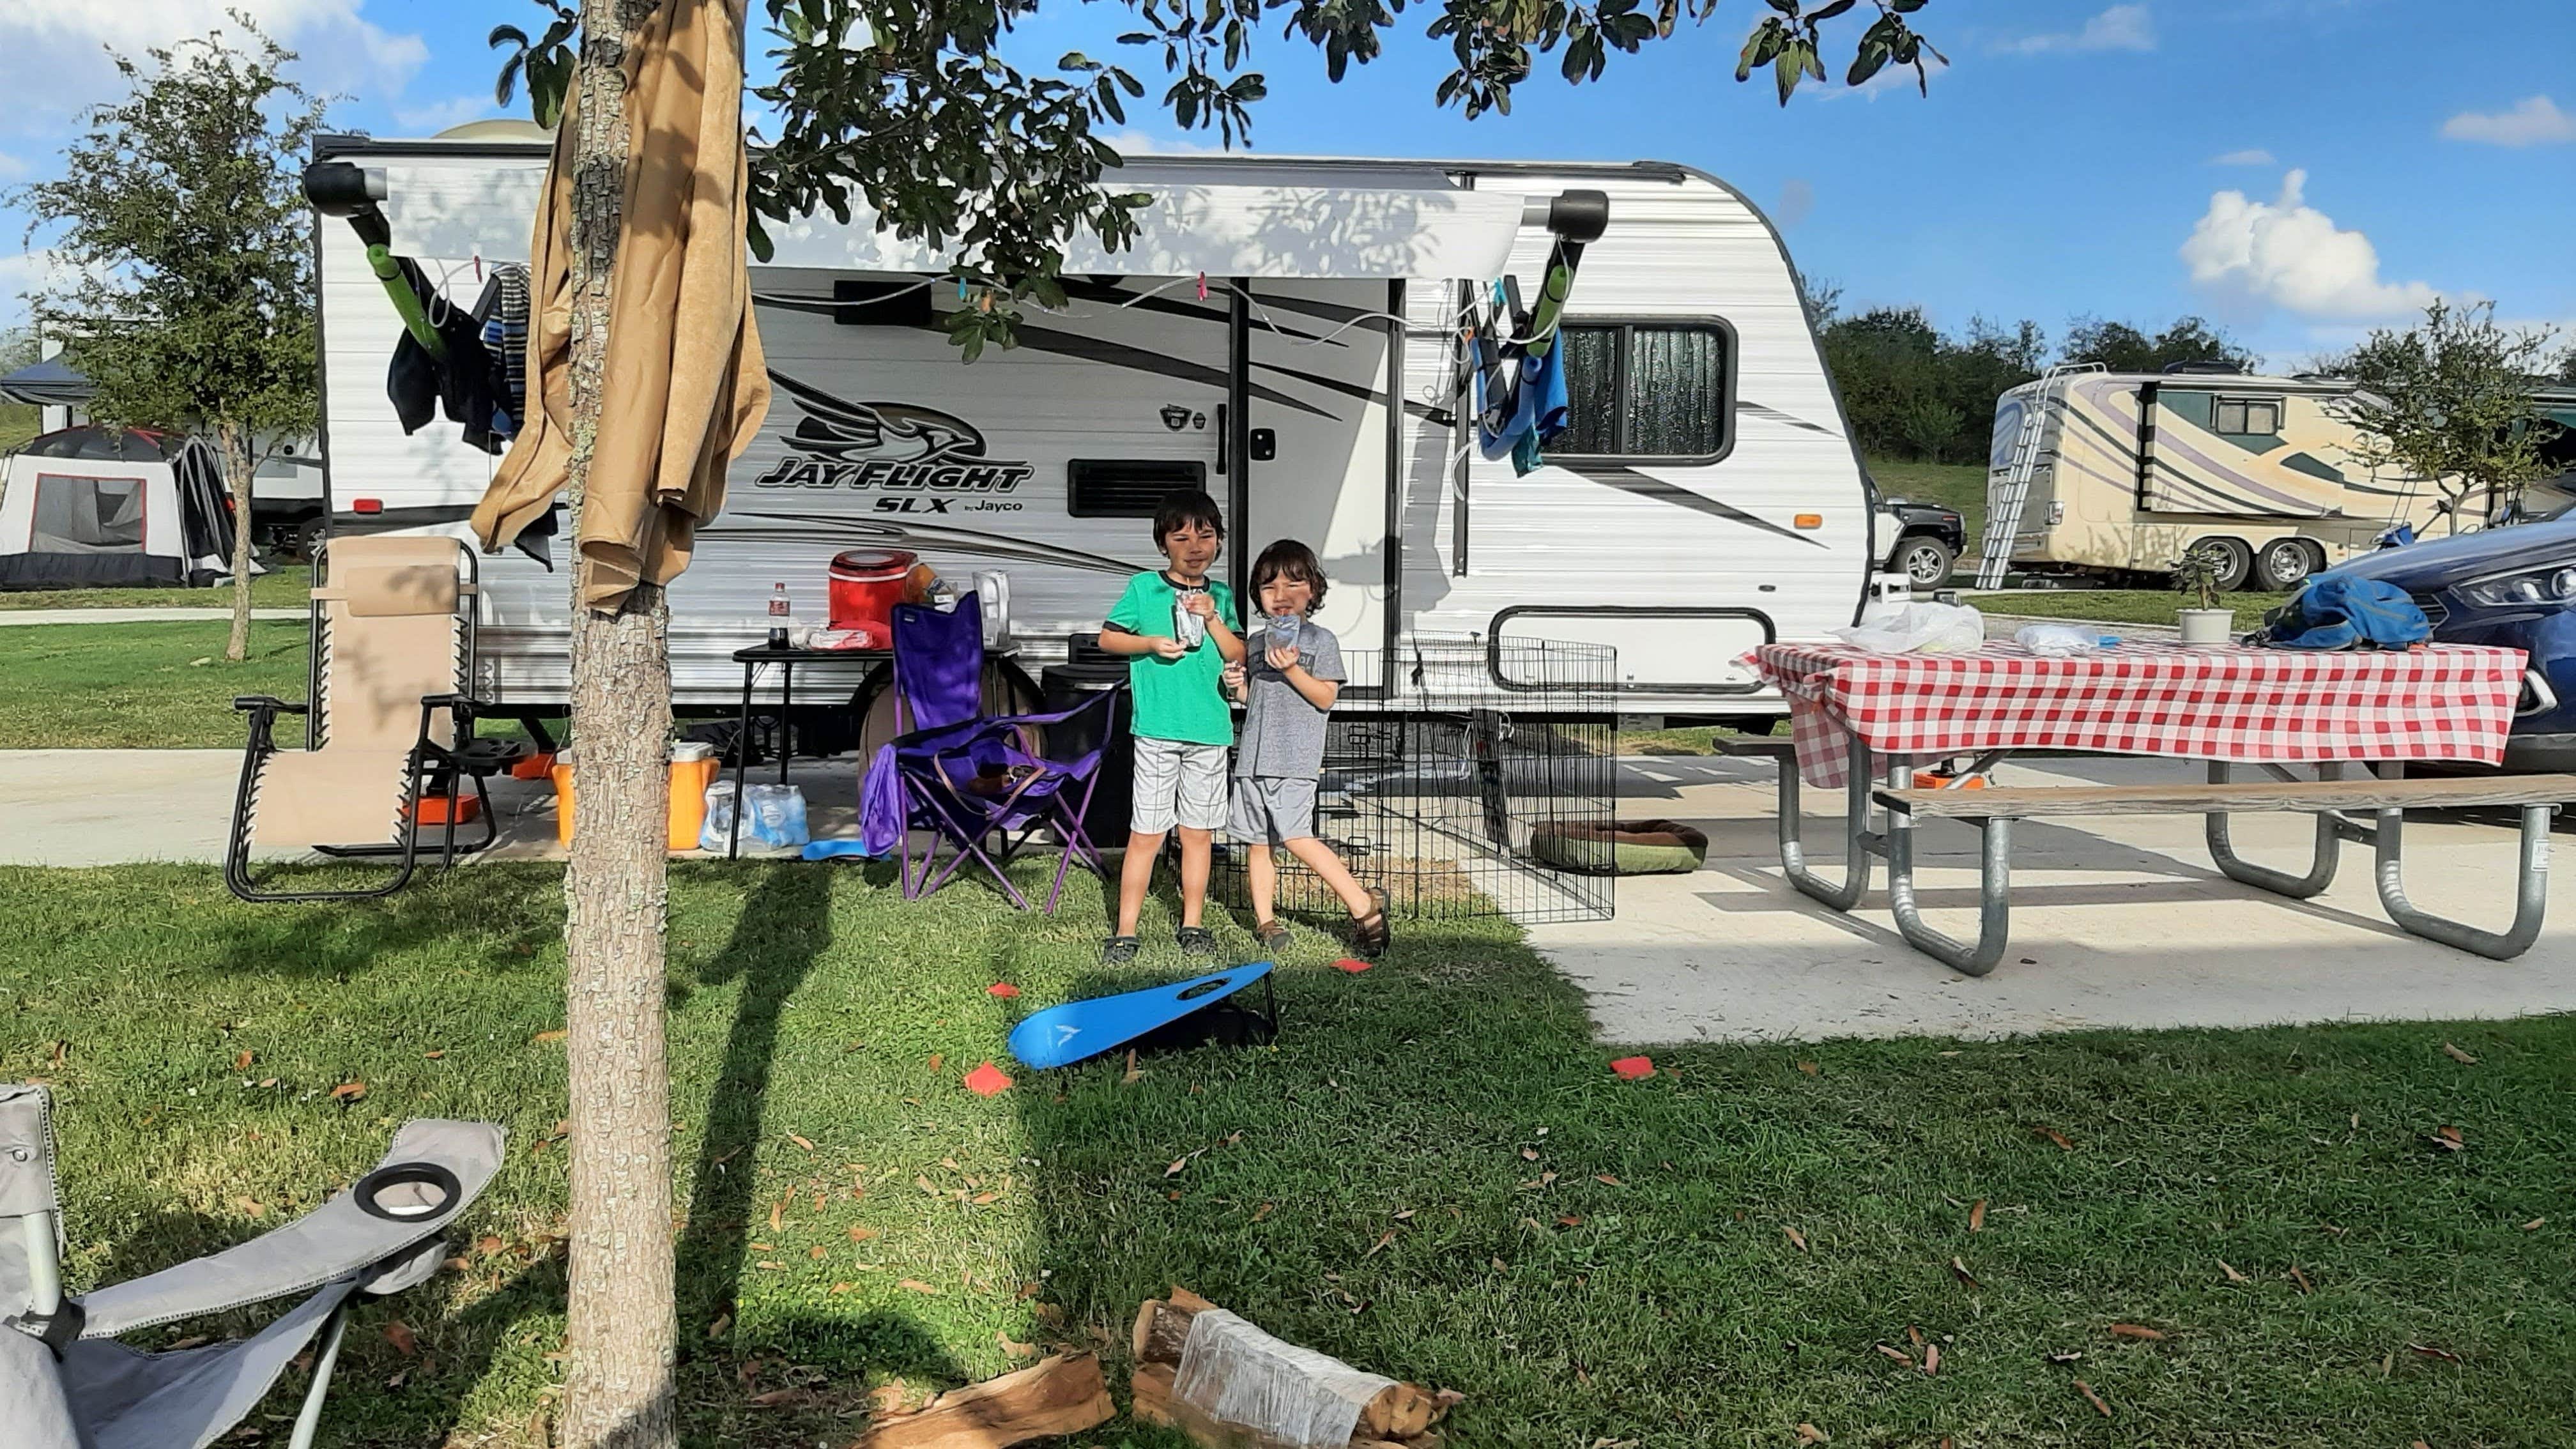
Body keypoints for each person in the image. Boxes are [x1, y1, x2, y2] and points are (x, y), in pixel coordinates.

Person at [1095, 489, 1244, 963]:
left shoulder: (1220, 593)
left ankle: (1193, 923)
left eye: (1206, 535)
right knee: (1148, 833)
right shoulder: (1144, 588)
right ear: (1164, 544)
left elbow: (1237, 652)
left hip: (1210, 729)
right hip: (1158, 729)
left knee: (1197, 833)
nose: (1195, 545)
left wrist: (1214, 617)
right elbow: (1106, 639)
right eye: (1181, 536)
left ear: (1219, 542)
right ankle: (1125, 931)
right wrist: (1151, 643)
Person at [1223, 539, 1390, 957]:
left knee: (1297, 837)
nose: (1281, 595)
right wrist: (1238, 688)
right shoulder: (1258, 643)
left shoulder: (1321, 641)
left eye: (1293, 584)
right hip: (1252, 760)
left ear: (1313, 590)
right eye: (1269, 587)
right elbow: (1257, 701)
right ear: (1258, 596)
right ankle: (1266, 921)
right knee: (1258, 844)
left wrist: (1292, 668)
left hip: (1294, 760)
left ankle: (1364, 907)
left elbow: (1325, 698)